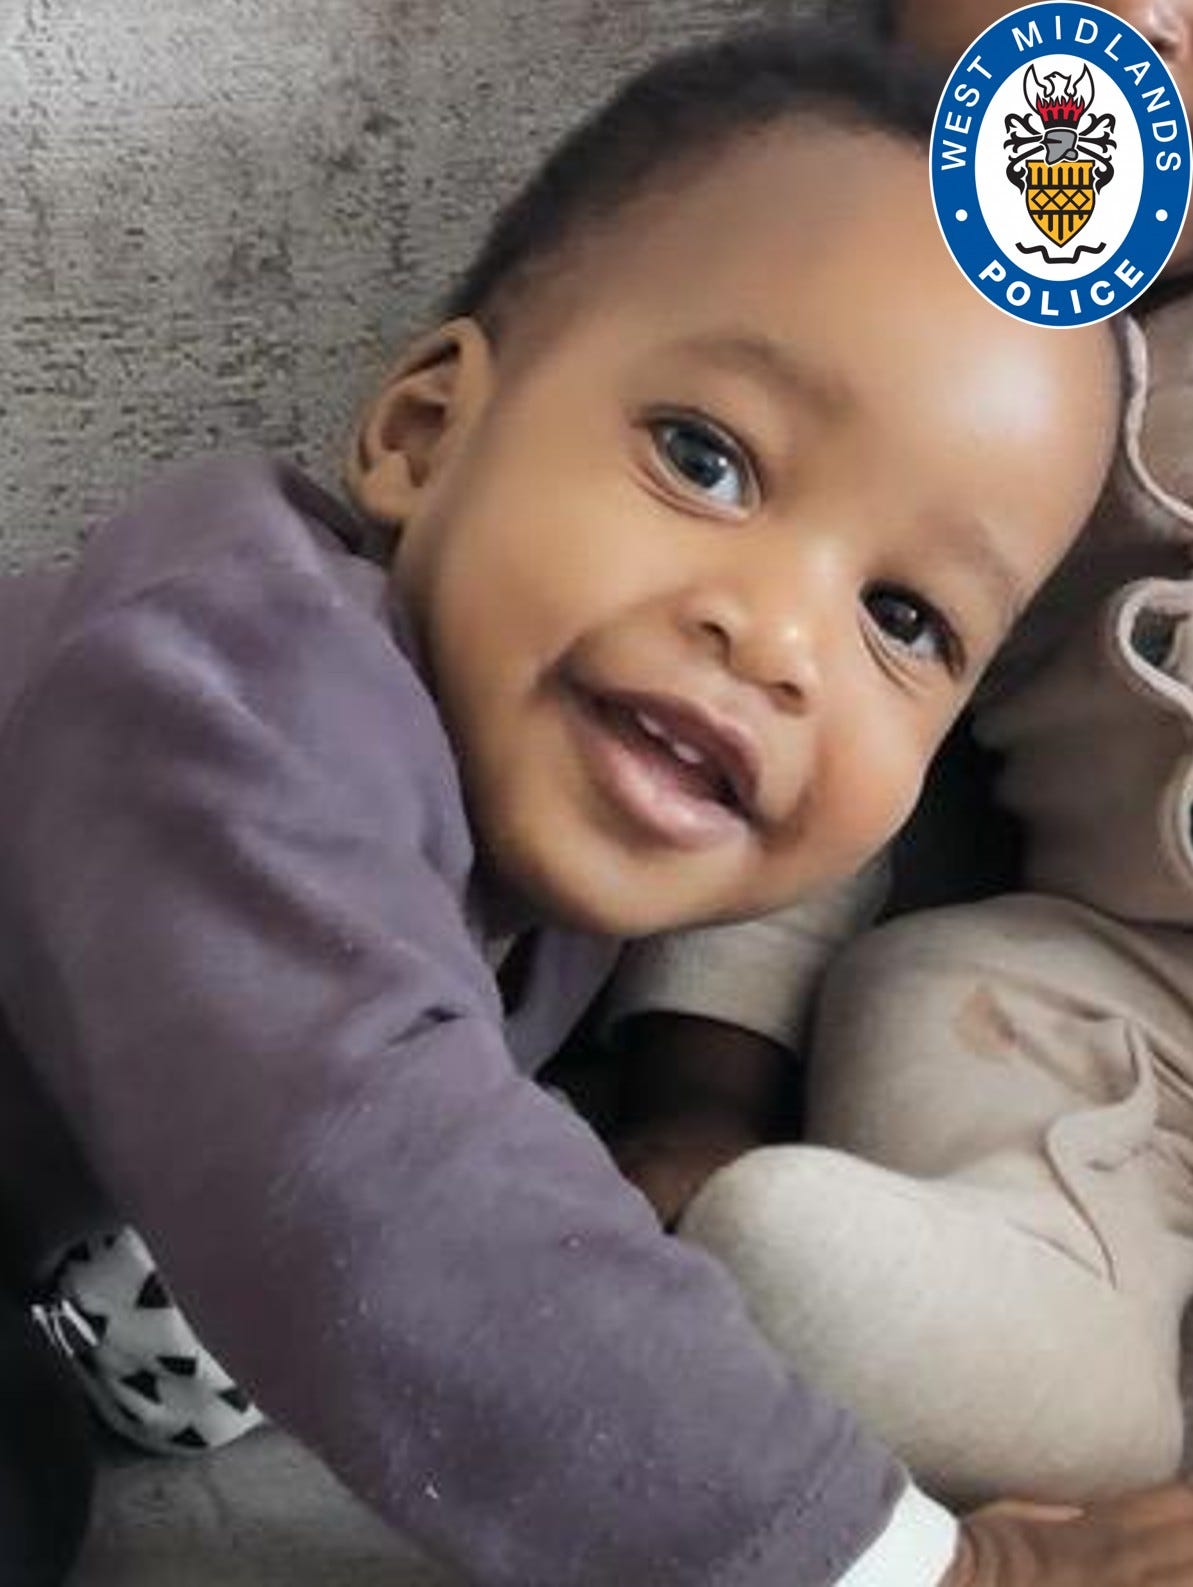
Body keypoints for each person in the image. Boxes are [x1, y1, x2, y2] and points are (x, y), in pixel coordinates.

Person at [0, 21, 1178, 1587]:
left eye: (903, 621)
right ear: (424, 434)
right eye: (705, 460)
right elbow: (371, 1181)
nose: (778, 640)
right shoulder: (218, 681)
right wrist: (931, 1568)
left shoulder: (550, 820)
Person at [607, 0, 1193, 1519]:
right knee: (927, 989)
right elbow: (808, 717)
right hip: (1126, 1005)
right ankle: (1067, 1352)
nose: (1142, 34)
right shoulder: (947, 374)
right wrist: (703, 1089)